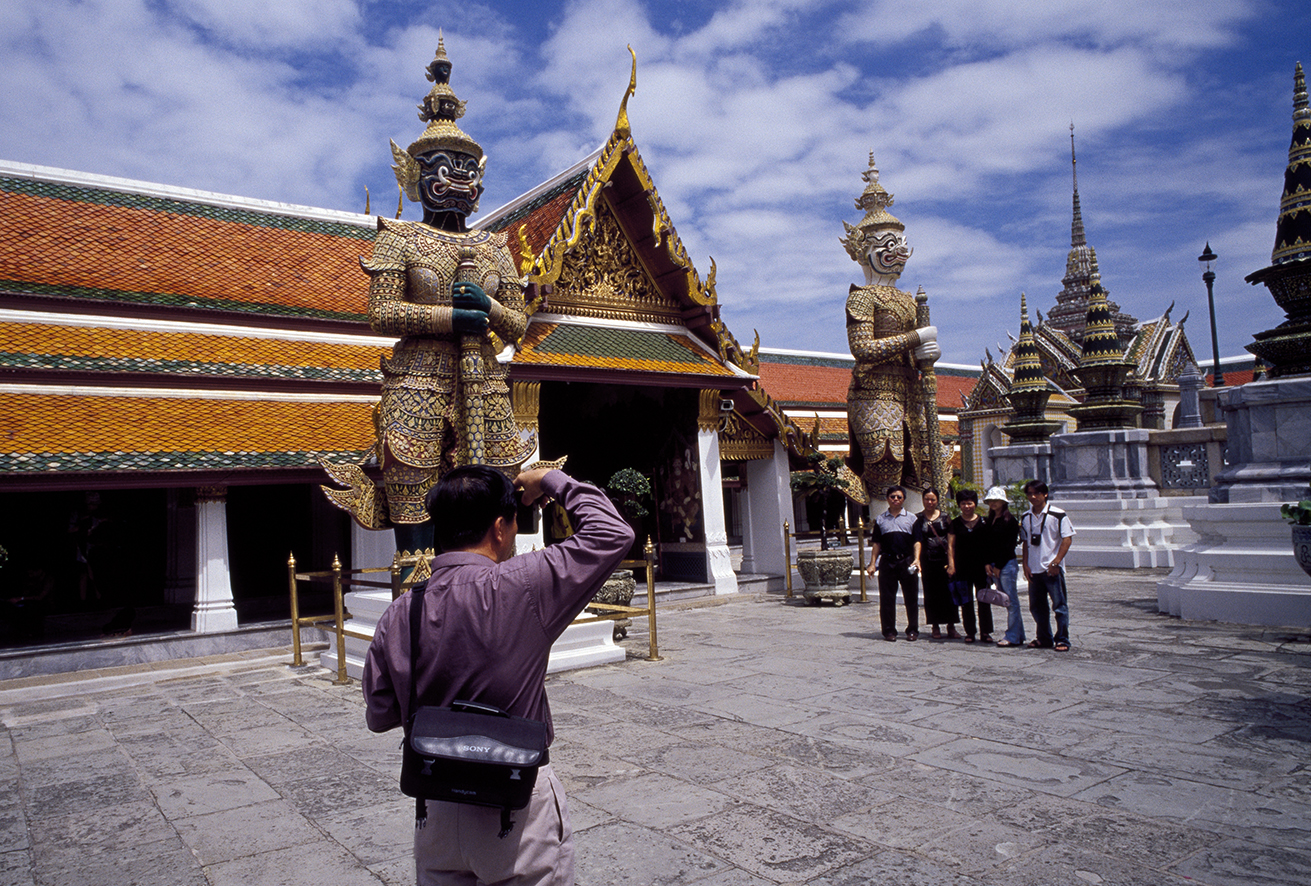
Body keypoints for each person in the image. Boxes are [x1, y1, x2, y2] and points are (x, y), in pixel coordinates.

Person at [363, 465, 634, 885]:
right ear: (500, 528)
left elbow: (380, 713)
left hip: (437, 807)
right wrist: (550, 481)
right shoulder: (524, 584)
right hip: (516, 801)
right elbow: (612, 533)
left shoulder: (403, 610)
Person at [321, 41, 530, 556]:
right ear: (416, 175)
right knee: (413, 489)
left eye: (467, 166)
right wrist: (451, 315)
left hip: (485, 383)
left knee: (495, 490)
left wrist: (488, 307)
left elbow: (520, 326)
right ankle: (416, 597)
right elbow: (382, 311)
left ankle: (490, 584)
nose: (459, 176)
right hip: (418, 379)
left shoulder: (493, 246)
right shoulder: (400, 238)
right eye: (445, 164)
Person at [842, 155, 939, 501]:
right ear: (863, 249)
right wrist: (916, 337)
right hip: (874, 393)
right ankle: (887, 544)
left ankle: (920, 548)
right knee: (886, 470)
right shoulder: (861, 297)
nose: (897, 252)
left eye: (899, 244)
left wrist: (927, 353)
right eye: (887, 245)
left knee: (922, 472)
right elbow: (863, 349)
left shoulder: (911, 300)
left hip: (911, 392)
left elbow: (916, 353)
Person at [1020, 480, 1075, 651]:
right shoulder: (1026, 517)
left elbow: (1067, 539)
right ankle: (1044, 637)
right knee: (1037, 607)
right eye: (1029, 493)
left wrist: (1056, 562)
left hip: (1051, 568)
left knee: (1059, 606)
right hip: (1034, 568)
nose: (1033, 497)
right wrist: (1026, 565)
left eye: (1036, 493)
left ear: (1045, 494)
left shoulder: (1058, 515)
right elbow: (1025, 542)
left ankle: (1063, 639)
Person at [867, 485, 921, 641]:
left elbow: (917, 541)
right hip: (888, 562)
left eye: (899, 497)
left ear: (904, 499)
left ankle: (912, 630)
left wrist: (917, 559)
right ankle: (889, 631)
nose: (895, 499)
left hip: (907, 561)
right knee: (887, 598)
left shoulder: (912, 518)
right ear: (887, 499)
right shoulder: (880, 519)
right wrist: (872, 564)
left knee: (911, 598)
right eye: (892, 497)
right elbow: (876, 543)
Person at [947, 489, 992, 643]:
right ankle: (970, 632)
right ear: (959, 505)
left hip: (981, 567)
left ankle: (985, 632)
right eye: (963, 503)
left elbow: (988, 546)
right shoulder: (955, 523)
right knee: (966, 601)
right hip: (962, 566)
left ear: (975, 504)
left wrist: (988, 564)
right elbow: (950, 546)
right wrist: (951, 565)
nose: (967, 506)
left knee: (984, 600)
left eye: (969, 503)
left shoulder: (984, 522)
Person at [981, 486, 1023, 648]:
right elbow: (986, 544)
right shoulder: (990, 520)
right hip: (993, 564)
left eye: (996, 500)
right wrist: (987, 563)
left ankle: (1012, 635)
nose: (993, 503)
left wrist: (998, 565)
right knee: (1007, 600)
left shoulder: (1009, 521)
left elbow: (1008, 546)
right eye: (990, 500)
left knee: (1011, 602)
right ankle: (1018, 634)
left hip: (1006, 564)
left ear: (1003, 502)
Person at [915, 489, 957, 640]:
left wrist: (952, 562)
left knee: (949, 593)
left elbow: (952, 540)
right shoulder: (918, 518)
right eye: (927, 499)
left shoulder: (945, 517)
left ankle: (951, 625)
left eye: (933, 499)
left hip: (944, 560)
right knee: (931, 594)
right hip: (928, 561)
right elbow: (917, 540)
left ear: (937, 501)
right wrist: (917, 559)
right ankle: (935, 625)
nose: (930, 502)